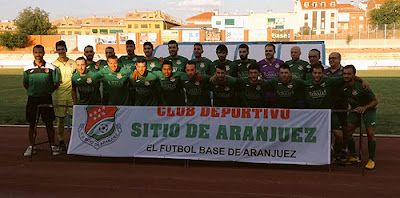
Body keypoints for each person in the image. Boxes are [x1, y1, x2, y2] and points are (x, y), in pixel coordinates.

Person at [23, 45, 60, 156]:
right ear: (33, 53)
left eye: (40, 52)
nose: (38, 54)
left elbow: (56, 83)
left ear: (44, 53)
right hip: (32, 99)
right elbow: (25, 83)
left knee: (49, 123)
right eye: (36, 52)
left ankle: (52, 146)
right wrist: (34, 91)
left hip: (46, 98)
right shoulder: (27, 68)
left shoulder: (51, 68)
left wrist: (47, 91)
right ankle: (31, 146)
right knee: (32, 124)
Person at [343, 65, 378, 170]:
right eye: (344, 73)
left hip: (368, 110)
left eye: (349, 74)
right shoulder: (341, 84)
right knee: (347, 131)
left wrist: (364, 107)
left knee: (370, 133)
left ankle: (371, 159)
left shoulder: (362, 86)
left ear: (354, 75)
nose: (346, 76)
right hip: (355, 110)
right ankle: (354, 155)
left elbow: (375, 101)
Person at [52, 40, 76, 152]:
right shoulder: (53, 65)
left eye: (63, 49)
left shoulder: (73, 63)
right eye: (59, 49)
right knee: (60, 120)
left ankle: (74, 140)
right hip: (59, 95)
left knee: (74, 119)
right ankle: (61, 141)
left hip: (72, 95)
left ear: (66, 50)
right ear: (56, 51)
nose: (61, 51)